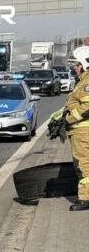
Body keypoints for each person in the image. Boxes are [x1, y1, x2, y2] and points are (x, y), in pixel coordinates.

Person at [50, 46, 89, 211]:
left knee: (83, 165)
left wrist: (68, 118)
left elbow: (86, 107)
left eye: (77, 64)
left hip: (83, 132)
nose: (74, 67)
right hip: (80, 131)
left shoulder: (86, 83)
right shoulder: (82, 81)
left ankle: (86, 199)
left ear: (85, 64)